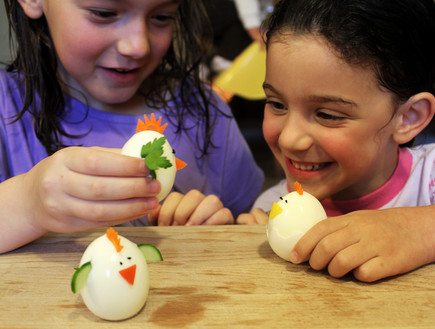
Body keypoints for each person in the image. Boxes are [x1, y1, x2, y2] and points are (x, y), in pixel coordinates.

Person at [0, 0, 264, 253]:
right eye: (104, 13)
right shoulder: (5, 105)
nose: (138, 46)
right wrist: (27, 203)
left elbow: (251, 229)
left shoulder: (207, 112)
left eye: (162, 17)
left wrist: (220, 228)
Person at [237, 0, 435, 283]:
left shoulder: (429, 180)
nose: (290, 139)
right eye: (277, 104)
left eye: (327, 114)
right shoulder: (272, 205)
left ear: (408, 117)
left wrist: (420, 230)